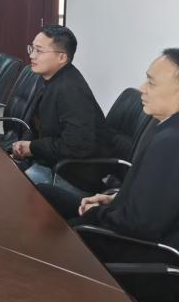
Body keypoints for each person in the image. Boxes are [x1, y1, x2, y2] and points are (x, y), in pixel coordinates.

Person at [42, 49, 179, 256]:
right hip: (144, 231)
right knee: (46, 194)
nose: (142, 89)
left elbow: (139, 225)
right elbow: (167, 196)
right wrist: (115, 198)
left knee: (47, 233)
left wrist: (97, 213)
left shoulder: (176, 142)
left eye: (151, 83)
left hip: (139, 251)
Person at [10, 25, 117, 188]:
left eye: (39, 51)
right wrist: (25, 144)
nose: (32, 55)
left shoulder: (70, 90)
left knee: (12, 187)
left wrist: (32, 147)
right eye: (32, 48)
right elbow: (38, 123)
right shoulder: (49, 78)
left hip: (74, 175)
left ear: (61, 57)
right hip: (52, 162)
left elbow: (77, 145)